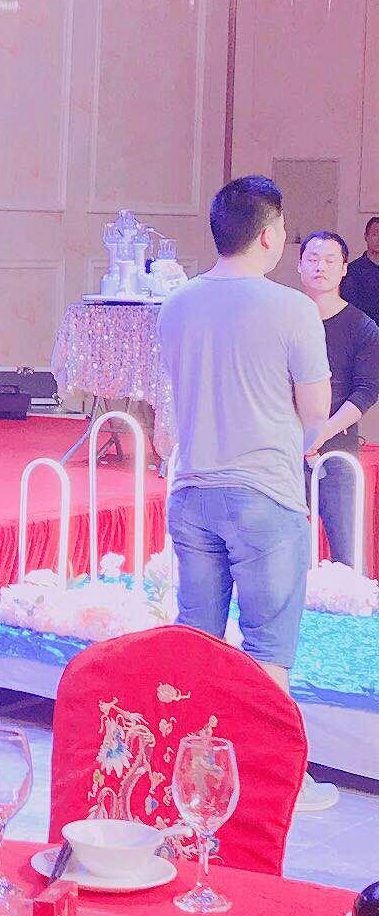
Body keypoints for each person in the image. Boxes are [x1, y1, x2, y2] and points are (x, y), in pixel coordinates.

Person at [157, 175, 330, 692]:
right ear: (268, 236)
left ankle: (193, 745)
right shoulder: (294, 307)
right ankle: (255, 749)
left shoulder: (176, 304)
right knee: (267, 659)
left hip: (192, 491)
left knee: (195, 652)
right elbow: (316, 412)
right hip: (265, 494)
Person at [297, 230, 379, 565]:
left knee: (348, 554)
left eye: (330, 260)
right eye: (313, 259)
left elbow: (366, 390)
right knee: (282, 553)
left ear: (345, 268)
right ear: (300, 265)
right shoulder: (285, 320)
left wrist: (321, 433)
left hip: (337, 449)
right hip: (284, 449)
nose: (321, 267)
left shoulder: (362, 327)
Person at [343, 215, 379, 324]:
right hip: (363, 328)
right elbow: (351, 308)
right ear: (366, 236)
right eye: (375, 234)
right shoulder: (353, 271)